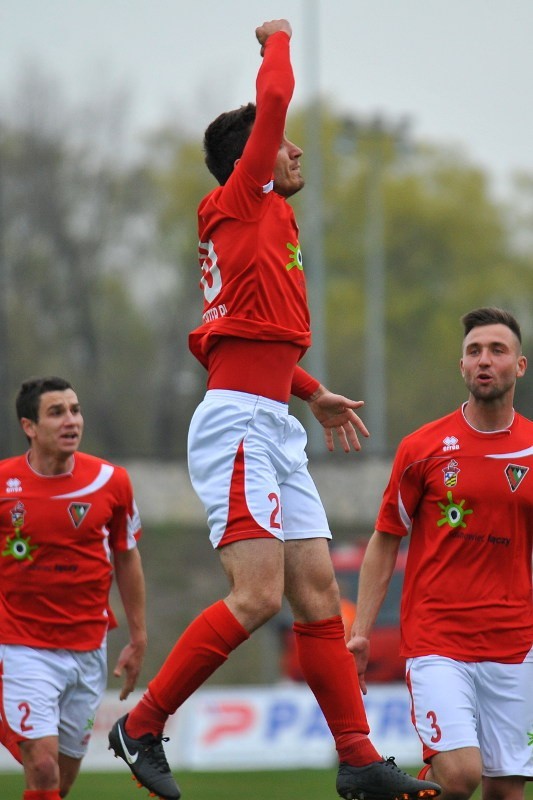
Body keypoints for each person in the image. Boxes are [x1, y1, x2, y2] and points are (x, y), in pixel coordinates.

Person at [108, 19, 440, 800]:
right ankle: (143, 724)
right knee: (257, 595)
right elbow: (278, 94)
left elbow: (241, 334)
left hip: (271, 421)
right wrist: (278, 39)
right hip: (237, 426)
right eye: (281, 144)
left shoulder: (271, 221)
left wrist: (310, 389)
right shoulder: (241, 198)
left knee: (319, 593)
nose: (294, 152)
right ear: (249, 160)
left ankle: (358, 759)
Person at [350, 307, 533, 800]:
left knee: (506, 790)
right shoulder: (423, 447)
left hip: (515, 646)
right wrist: (361, 632)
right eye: (474, 351)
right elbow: (386, 537)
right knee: (460, 775)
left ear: (520, 366)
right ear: (462, 366)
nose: (484, 360)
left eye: (497, 350)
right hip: (437, 641)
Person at [0, 376, 147, 800]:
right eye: (56, 412)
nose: (71, 421)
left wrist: (138, 636)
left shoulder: (112, 481)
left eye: (75, 410)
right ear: (29, 426)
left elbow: (127, 556)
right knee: (42, 767)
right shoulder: (5, 483)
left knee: (58, 783)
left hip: (88, 651)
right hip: (23, 646)